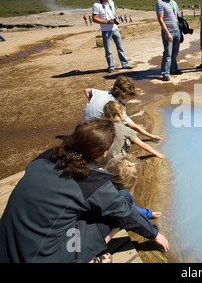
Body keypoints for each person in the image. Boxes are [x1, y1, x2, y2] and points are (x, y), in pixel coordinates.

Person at [0, 119, 169, 263]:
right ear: (104, 152)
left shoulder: (48, 156)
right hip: (43, 256)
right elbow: (124, 212)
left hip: (8, 241)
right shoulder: (92, 183)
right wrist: (154, 234)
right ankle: (91, 255)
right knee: (122, 199)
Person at [82, 76, 164, 143]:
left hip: (84, 125)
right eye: (129, 98)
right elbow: (134, 126)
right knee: (122, 131)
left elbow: (86, 90)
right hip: (94, 133)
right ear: (122, 96)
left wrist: (93, 104)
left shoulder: (102, 93)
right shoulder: (114, 107)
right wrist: (152, 136)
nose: (129, 100)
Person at [104, 154, 162, 219]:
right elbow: (132, 210)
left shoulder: (97, 177)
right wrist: (149, 213)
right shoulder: (122, 196)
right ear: (130, 183)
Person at [92, 0, 133, 73]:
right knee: (108, 50)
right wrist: (106, 22)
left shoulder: (111, 2)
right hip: (105, 30)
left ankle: (125, 64)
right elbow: (94, 19)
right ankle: (111, 66)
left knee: (120, 47)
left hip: (115, 29)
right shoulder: (96, 5)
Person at [156, 0, 182, 82]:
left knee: (175, 53)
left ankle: (174, 69)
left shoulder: (174, 3)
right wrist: (167, 33)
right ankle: (165, 73)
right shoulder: (160, 3)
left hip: (176, 31)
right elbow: (160, 19)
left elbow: (177, 16)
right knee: (167, 53)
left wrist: (180, 28)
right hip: (168, 31)